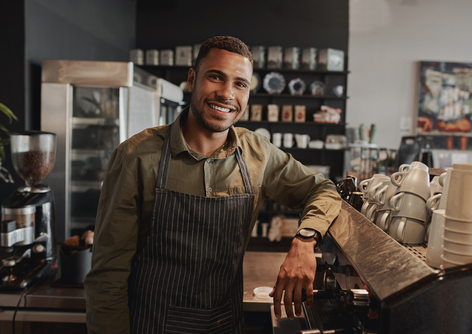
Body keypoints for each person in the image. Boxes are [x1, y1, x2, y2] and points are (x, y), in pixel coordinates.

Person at [84, 35, 341, 334]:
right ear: (192, 79)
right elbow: (108, 277)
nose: (226, 94)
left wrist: (305, 241)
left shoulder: (258, 152)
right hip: (150, 325)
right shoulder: (136, 157)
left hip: (225, 324)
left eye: (240, 84)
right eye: (216, 77)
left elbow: (322, 189)